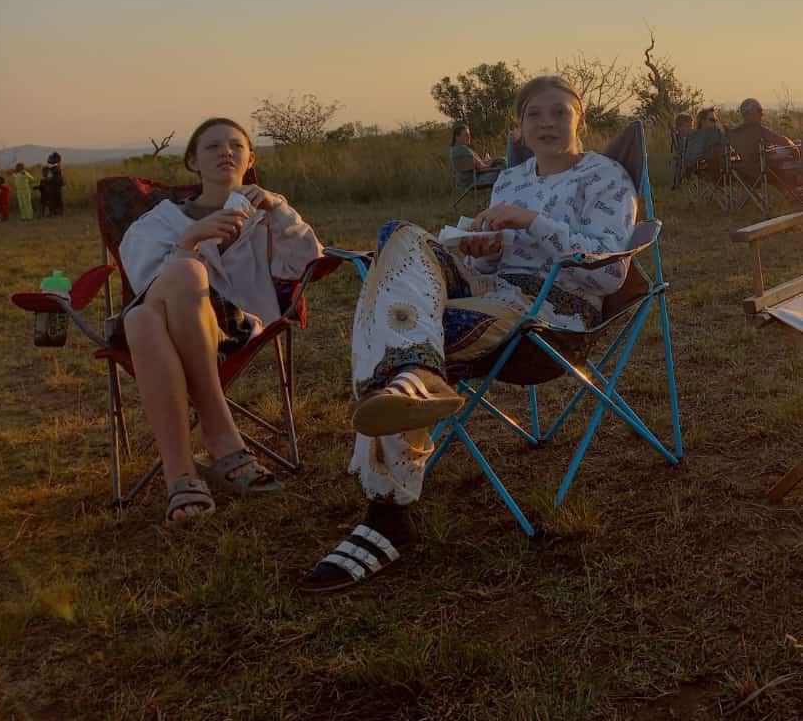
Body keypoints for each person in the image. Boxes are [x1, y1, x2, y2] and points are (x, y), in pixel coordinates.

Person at [303, 76, 637, 593]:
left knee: (395, 330)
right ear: (520, 126)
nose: (547, 123)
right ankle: (414, 378)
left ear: (581, 120)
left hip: (551, 313)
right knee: (401, 235)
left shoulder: (606, 177)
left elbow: (609, 272)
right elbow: (500, 254)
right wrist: (483, 247)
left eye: (559, 113)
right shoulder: (510, 179)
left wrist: (532, 221)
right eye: (534, 115)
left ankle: (387, 512)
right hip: (493, 290)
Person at [118, 117, 323, 525]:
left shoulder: (268, 214)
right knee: (173, 286)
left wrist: (278, 210)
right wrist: (188, 241)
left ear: (250, 158)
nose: (225, 152)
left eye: (235, 145)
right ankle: (219, 436)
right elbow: (146, 283)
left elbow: (308, 262)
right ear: (193, 161)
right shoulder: (160, 221)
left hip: (236, 326)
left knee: (141, 320)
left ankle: (182, 473)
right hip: (173, 323)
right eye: (212, 146)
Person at [728, 98, 800, 193]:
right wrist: (795, 148)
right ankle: (794, 193)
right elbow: (783, 140)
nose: (762, 114)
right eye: (759, 111)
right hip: (763, 169)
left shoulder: (734, 132)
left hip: (744, 170)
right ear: (749, 114)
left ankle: (791, 193)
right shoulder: (758, 129)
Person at [449, 123, 506, 192]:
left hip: (462, 182)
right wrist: (494, 164)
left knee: (501, 161)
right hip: (475, 180)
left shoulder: (453, 150)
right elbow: (482, 167)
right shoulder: (463, 150)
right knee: (504, 169)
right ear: (457, 136)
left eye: (469, 134)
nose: (469, 137)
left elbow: (474, 166)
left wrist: (488, 162)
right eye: (466, 135)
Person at [682, 107, 725, 179]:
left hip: (702, 168)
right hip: (706, 169)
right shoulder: (699, 135)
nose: (715, 123)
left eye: (716, 120)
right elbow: (693, 157)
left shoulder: (693, 134)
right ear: (703, 121)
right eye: (712, 120)